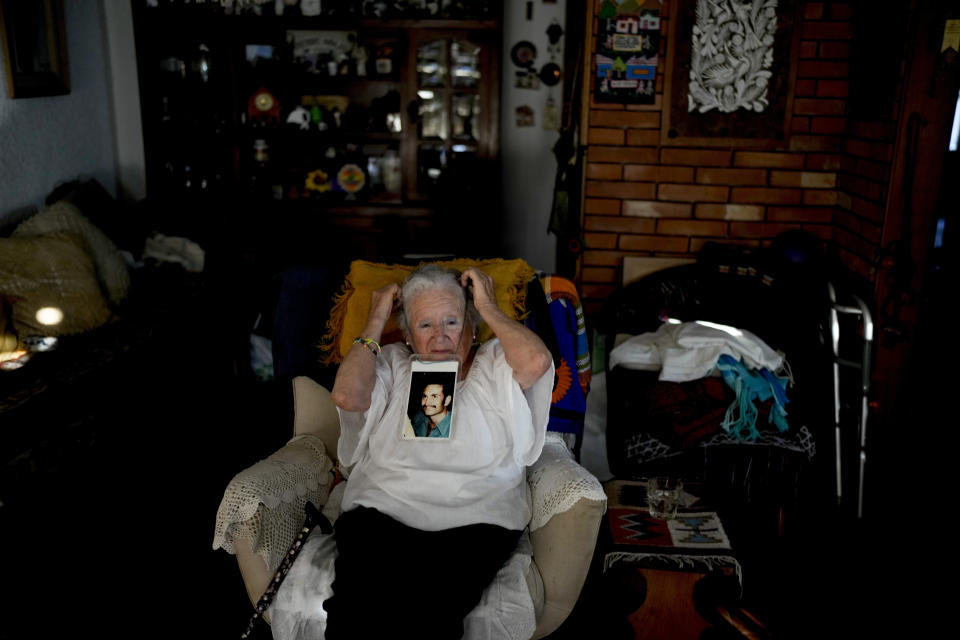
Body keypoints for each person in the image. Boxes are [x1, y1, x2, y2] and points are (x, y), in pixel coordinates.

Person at [326, 264, 554, 639]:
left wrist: (488, 306)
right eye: (425, 325)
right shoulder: (394, 362)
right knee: (352, 611)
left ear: (470, 324)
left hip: (474, 518)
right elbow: (347, 396)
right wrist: (377, 317)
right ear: (409, 335)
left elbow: (537, 362)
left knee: (430, 617)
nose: (440, 338)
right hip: (383, 511)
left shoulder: (497, 361)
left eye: (451, 321)